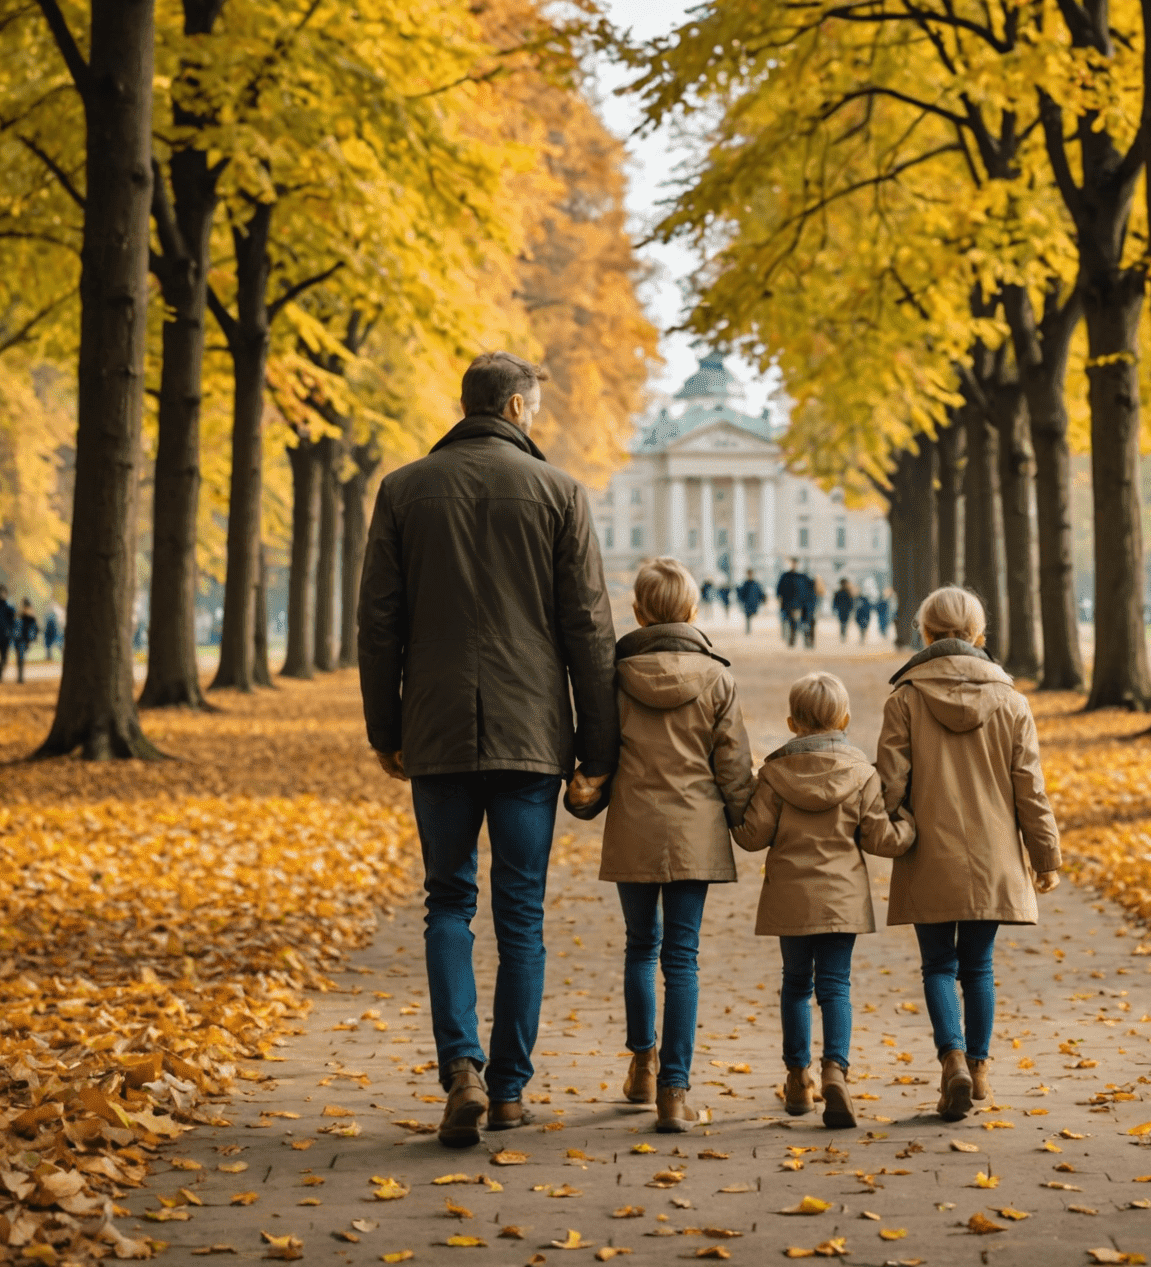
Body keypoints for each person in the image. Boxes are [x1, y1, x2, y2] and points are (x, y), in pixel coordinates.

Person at [358, 351, 618, 1148]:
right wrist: (597, 749)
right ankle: (508, 1091)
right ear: (513, 407)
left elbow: (378, 622)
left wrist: (385, 729)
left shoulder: (402, 490)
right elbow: (588, 630)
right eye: (532, 409)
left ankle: (461, 1069)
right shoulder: (560, 493)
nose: (534, 421)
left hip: (435, 728)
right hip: (531, 734)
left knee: (447, 902)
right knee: (521, 916)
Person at [876, 585, 1062, 1121]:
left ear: (925, 633)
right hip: (993, 855)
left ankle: (951, 1057)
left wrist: (883, 830)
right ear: (980, 636)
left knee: (937, 964)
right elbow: (1030, 787)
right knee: (978, 966)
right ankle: (978, 1067)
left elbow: (890, 783)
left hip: (928, 851)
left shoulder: (905, 699)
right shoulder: (1011, 701)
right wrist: (1045, 858)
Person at [588, 557, 754, 1133]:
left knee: (639, 947)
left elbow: (599, 753)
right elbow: (733, 767)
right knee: (681, 957)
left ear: (637, 611)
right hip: (695, 833)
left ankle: (641, 1061)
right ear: (692, 611)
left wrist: (585, 797)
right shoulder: (718, 678)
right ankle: (674, 1090)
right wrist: (749, 826)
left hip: (634, 826)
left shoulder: (612, 674)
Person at [733, 672, 915, 1129]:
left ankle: (798, 1078)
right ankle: (836, 1070)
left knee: (795, 984)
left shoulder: (774, 774)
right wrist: (909, 829)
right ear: (847, 720)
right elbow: (879, 838)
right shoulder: (862, 775)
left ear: (793, 723)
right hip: (842, 901)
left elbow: (753, 837)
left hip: (790, 898)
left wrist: (729, 813)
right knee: (835, 987)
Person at [776, 558, 806, 648]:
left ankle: (792, 640)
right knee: (786, 620)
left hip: (796, 604)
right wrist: (780, 599)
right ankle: (788, 637)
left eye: (795, 563)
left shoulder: (800, 577)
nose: (793, 565)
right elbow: (779, 590)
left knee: (794, 622)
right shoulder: (785, 576)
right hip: (786, 604)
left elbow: (803, 591)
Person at [13, 599, 39, 683]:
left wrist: (33, 638)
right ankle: (20, 676)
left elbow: (36, 629)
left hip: (25, 640)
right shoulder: (18, 616)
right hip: (18, 640)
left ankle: (20, 676)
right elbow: (13, 626)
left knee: (21, 657)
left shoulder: (31, 618)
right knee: (20, 657)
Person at [735, 569, 765, 634]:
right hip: (747, 604)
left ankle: (753, 630)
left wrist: (763, 598)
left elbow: (760, 592)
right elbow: (741, 593)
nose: (750, 575)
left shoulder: (756, 584)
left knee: (753, 615)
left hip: (754, 603)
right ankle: (748, 630)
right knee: (748, 617)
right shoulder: (745, 584)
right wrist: (738, 591)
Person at [832, 578, 855, 642]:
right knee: (844, 623)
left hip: (842, 610)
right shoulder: (847, 592)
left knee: (842, 623)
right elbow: (851, 602)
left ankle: (843, 633)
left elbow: (834, 602)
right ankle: (843, 634)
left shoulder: (839, 592)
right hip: (844, 610)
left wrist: (834, 608)